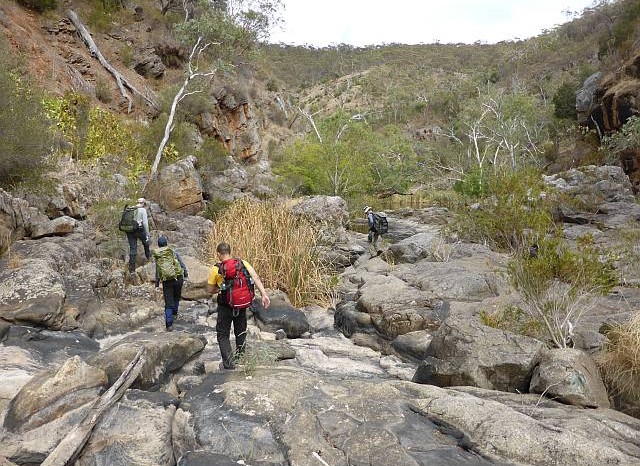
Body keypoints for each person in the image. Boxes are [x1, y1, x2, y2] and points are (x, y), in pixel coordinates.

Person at [207, 242, 270, 369]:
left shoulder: (216, 268)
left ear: (219, 254)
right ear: (230, 252)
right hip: (241, 304)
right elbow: (255, 277)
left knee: (223, 334)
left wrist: (219, 288)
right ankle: (240, 358)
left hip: (225, 305)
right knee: (240, 331)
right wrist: (264, 294)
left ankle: (229, 364)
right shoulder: (242, 263)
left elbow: (209, 289)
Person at [153, 235, 188, 331]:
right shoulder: (173, 252)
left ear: (158, 245)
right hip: (178, 278)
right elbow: (182, 264)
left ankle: (169, 324)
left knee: (168, 302)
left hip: (167, 281)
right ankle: (175, 313)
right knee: (176, 296)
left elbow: (158, 271)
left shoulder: (159, 256)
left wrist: (157, 283)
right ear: (166, 243)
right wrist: (185, 274)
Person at [127, 197, 151, 276]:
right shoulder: (142, 210)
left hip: (130, 230)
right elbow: (145, 224)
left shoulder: (131, 208)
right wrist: (147, 235)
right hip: (139, 230)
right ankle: (149, 259)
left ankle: (132, 269)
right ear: (144, 203)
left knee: (133, 248)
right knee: (146, 243)